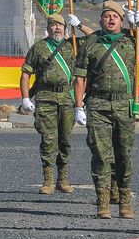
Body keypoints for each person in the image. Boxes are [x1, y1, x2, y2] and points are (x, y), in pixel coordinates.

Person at [73, 1, 139, 219]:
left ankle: (124, 200)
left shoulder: (132, 40)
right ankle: (102, 202)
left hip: (124, 105)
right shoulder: (91, 43)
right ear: (100, 20)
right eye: (107, 16)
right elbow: (80, 77)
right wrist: (79, 106)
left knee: (123, 154)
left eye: (115, 16)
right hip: (98, 105)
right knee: (101, 155)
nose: (111, 19)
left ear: (122, 20)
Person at [19, 11, 92, 194]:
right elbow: (26, 74)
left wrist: (79, 25)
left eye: (60, 25)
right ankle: (48, 180)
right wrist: (25, 97)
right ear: (48, 28)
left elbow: (95, 39)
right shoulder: (39, 48)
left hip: (67, 99)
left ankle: (63, 179)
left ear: (65, 28)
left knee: (65, 141)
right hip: (46, 99)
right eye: (53, 24)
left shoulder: (72, 45)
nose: (57, 28)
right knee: (48, 140)